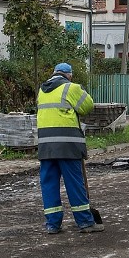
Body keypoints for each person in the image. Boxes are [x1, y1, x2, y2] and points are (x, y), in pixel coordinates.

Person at [36, 62, 101, 234]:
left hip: (46, 147)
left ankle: (52, 225)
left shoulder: (42, 90)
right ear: (69, 75)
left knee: (48, 185)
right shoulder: (71, 88)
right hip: (68, 146)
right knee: (74, 183)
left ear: (54, 73)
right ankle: (85, 222)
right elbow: (88, 106)